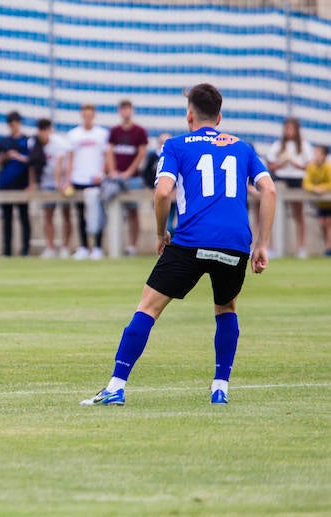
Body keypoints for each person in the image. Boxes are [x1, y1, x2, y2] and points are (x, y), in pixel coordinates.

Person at [80, 83, 276, 407]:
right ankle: (220, 388)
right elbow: (269, 191)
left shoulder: (175, 145)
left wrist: (160, 233)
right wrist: (263, 244)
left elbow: (161, 193)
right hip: (235, 244)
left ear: (189, 115)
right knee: (226, 309)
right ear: (220, 116)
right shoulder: (243, 148)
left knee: (147, 308)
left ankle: (116, 386)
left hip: (190, 241)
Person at [105, 100, 149, 256]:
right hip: (116, 178)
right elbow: (109, 151)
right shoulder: (114, 131)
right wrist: (112, 171)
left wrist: (129, 172)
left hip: (133, 179)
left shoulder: (139, 131)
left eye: (127, 109)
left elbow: (141, 153)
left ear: (132, 111)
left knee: (133, 212)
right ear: (119, 111)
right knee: (114, 211)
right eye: (122, 109)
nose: (125, 112)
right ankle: (116, 246)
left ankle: (132, 246)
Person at [65, 104, 109, 260]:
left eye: (90, 115)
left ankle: (97, 247)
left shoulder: (102, 134)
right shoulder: (73, 134)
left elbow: (106, 156)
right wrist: (68, 179)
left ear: (94, 115)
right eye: (85, 115)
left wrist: (102, 173)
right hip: (78, 179)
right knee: (80, 214)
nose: (88, 118)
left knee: (97, 215)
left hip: (95, 179)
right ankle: (83, 246)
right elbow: (70, 158)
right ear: (82, 115)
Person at [266, 117, 312, 258]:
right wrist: (282, 163)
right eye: (287, 128)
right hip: (282, 178)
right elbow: (271, 165)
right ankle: (272, 248)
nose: (289, 131)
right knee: (273, 214)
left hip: (298, 179)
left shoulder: (304, 146)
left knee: (299, 214)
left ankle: (301, 248)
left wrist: (294, 163)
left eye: (292, 129)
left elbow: (309, 166)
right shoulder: (278, 145)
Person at [0, 111, 32, 257]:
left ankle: (25, 250)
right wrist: (4, 157)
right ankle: (7, 251)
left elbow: (32, 162)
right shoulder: (3, 141)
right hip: (6, 184)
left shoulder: (27, 140)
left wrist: (18, 156)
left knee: (24, 217)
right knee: (7, 219)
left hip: (22, 184)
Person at [35, 119, 72, 259]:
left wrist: (62, 182)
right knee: (48, 215)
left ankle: (65, 247)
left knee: (66, 214)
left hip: (62, 184)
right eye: (41, 130)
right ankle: (50, 247)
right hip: (46, 183)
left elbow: (61, 162)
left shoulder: (58, 143)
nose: (44, 133)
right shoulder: (35, 143)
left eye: (46, 130)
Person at [302, 144, 331, 256]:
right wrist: (315, 188)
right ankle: (328, 246)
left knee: (328, 222)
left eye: (318, 153)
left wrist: (322, 188)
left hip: (329, 202)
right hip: (320, 204)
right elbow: (306, 183)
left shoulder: (328, 167)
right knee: (322, 223)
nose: (315, 156)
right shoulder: (311, 167)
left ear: (324, 155)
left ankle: (329, 248)